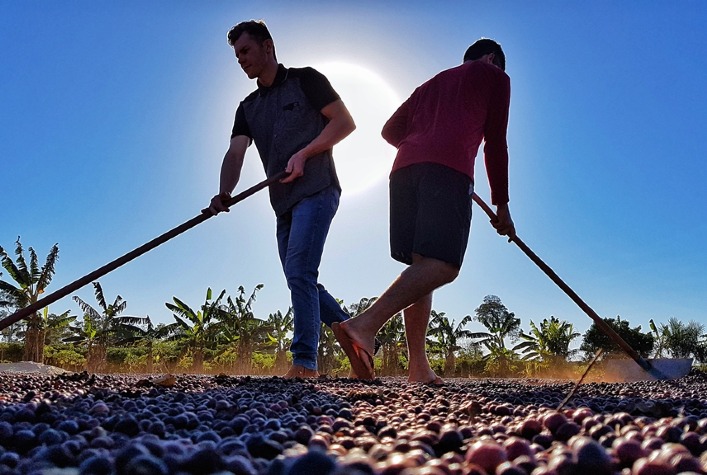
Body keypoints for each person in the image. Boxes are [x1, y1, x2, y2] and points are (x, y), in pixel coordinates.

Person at [332, 38, 516, 384]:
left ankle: (418, 366)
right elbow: (496, 141)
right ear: (492, 58)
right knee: (444, 266)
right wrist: (501, 204)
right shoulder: (495, 76)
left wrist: (420, 144)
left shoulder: (430, 84)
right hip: (447, 171)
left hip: (403, 172)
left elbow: (389, 130)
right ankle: (364, 325)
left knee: (422, 265)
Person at [205, 20, 356, 379]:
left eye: (246, 51)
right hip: (283, 204)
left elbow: (344, 122)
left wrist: (305, 153)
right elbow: (236, 154)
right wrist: (224, 192)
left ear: (268, 46)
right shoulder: (248, 106)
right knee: (297, 276)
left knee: (301, 272)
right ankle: (358, 332)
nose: (241, 60)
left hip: (318, 189)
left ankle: (305, 362)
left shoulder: (307, 80)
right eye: (237, 55)